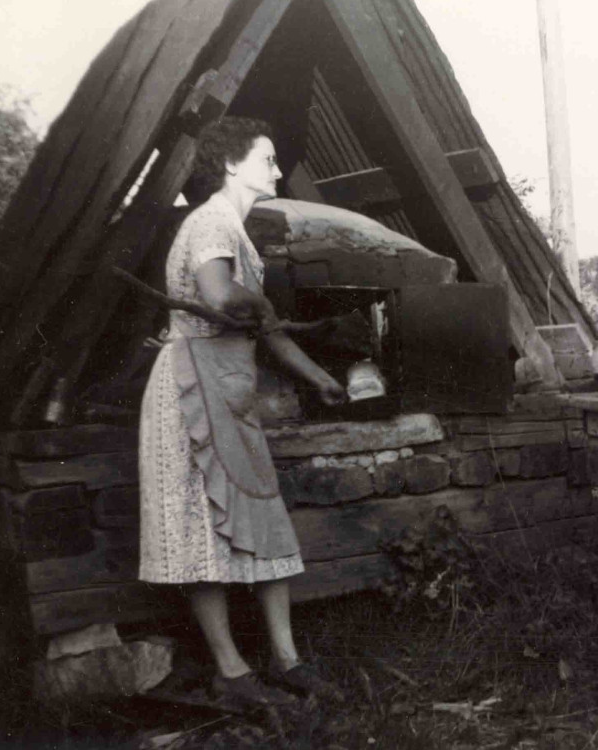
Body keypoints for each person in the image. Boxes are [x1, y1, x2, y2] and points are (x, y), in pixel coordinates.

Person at [138, 117, 346, 706]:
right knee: (202, 529)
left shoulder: (235, 230)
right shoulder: (208, 221)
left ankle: (286, 661)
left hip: (228, 388)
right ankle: (231, 672)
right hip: (191, 389)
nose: (278, 170)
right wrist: (260, 301)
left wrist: (322, 379)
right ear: (231, 163)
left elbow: (267, 330)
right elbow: (219, 298)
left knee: (263, 518)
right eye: (268, 158)